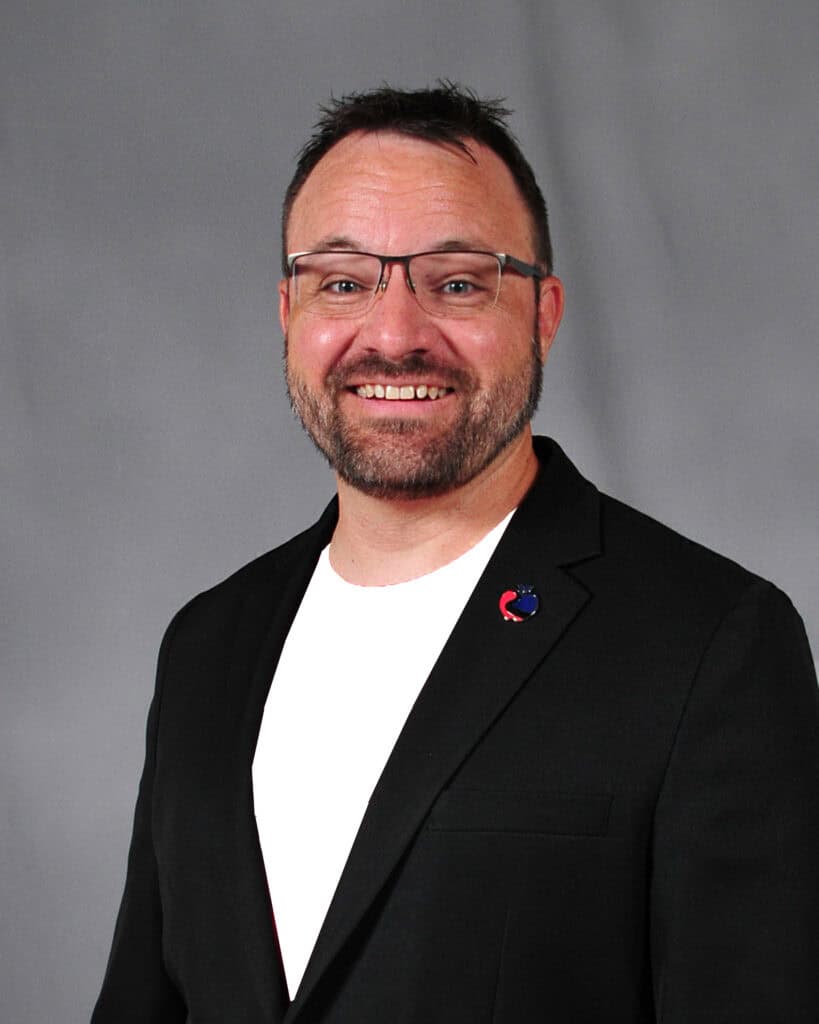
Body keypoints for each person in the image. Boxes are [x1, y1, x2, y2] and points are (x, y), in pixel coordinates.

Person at [92, 84, 819, 1023]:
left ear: (543, 313)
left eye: (458, 282)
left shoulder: (708, 644)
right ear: (288, 312)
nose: (394, 336)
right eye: (342, 282)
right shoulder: (207, 644)